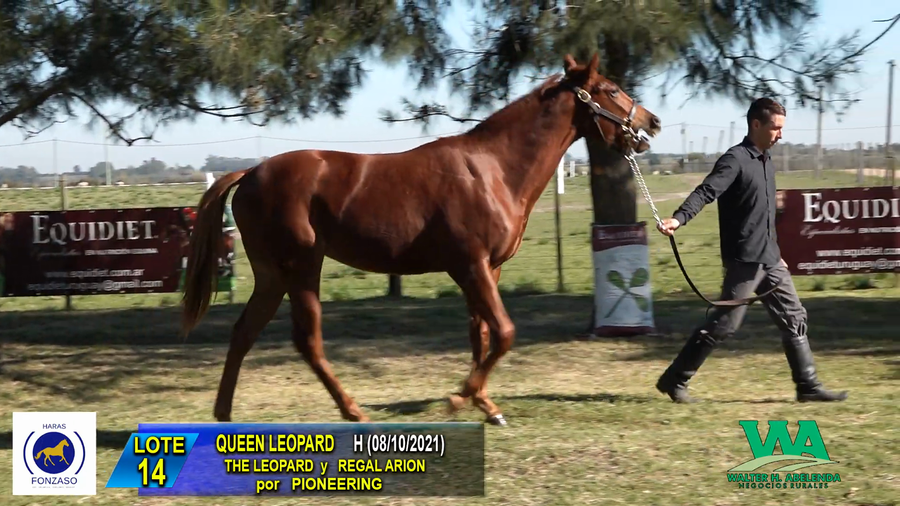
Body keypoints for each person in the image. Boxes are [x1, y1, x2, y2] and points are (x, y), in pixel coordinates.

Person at [653, 97, 848, 404]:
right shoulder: (735, 160)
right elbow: (706, 191)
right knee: (726, 322)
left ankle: (807, 386)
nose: (780, 135)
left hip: (770, 258)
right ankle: (674, 379)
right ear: (756, 124)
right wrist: (679, 218)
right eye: (776, 128)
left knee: (795, 316)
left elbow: (763, 214)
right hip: (745, 259)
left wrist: (776, 250)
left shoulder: (765, 161)